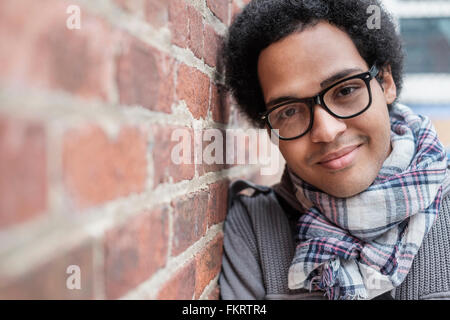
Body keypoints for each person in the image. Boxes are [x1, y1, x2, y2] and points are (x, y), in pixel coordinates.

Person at [218, 0, 450, 300]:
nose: (326, 131)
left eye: (345, 90)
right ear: (270, 130)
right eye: (289, 111)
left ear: (386, 82)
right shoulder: (254, 229)